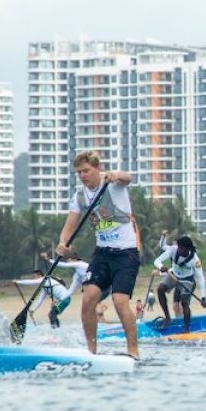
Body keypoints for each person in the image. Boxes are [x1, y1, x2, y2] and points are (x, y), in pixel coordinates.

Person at [55, 150, 139, 358]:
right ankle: (91, 350)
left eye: (86, 171)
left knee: (120, 301)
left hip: (126, 254)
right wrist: (62, 244)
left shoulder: (113, 184)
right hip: (102, 254)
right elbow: (69, 226)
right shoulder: (80, 197)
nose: (83, 176)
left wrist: (116, 174)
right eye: (79, 173)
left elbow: (128, 177)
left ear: (97, 169)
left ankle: (133, 351)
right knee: (88, 299)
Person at [153, 235, 206, 333]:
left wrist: (203, 298)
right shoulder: (173, 250)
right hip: (173, 275)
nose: (179, 250)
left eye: (182, 248)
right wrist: (161, 267)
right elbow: (157, 261)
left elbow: (200, 278)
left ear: (187, 249)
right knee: (160, 289)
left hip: (187, 279)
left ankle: (186, 329)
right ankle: (168, 318)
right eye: (179, 247)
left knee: (184, 302)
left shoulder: (195, 260)